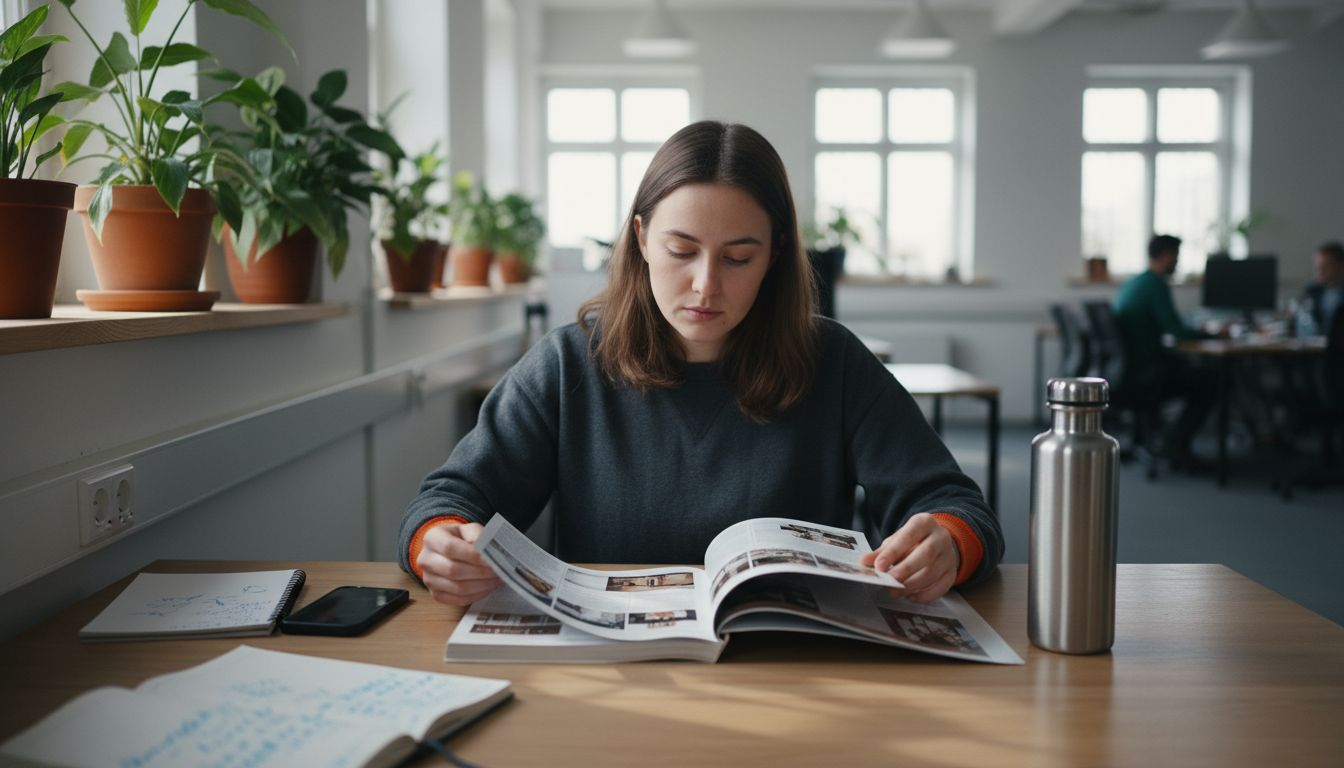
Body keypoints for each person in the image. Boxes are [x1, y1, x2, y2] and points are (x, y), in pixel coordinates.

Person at [399, 120, 1002, 609]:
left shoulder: (833, 360)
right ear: (639, 238)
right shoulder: (568, 364)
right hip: (611, 676)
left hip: (793, 671)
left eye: (738, 258)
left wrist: (950, 540)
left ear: (775, 257)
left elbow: (959, 506)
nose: (705, 286)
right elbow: (446, 500)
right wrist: (441, 543)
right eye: (681, 251)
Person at [1113, 234, 1216, 466]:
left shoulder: (1134, 283)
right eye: (1177, 257)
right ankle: (1176, 444)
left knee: (1198, 371)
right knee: (1213, 380)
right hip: (1148, 374)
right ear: (1168, 256)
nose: (1177, 263)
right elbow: (1176, 331)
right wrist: (1213, 334)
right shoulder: (1155, 284)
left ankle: (1163, 440)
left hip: (1130, 372)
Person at [1300, 241, 1344, 335]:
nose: (1320, 272)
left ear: (1340, 266)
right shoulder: (1312, 291)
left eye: (1325, 267)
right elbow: (1297, 320)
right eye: (1317, 267)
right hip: (1315, 346)